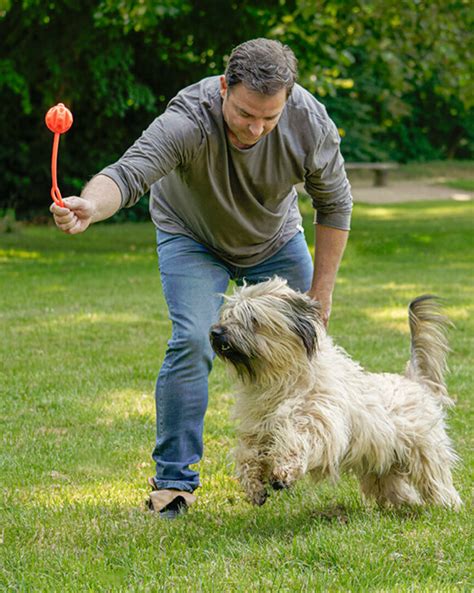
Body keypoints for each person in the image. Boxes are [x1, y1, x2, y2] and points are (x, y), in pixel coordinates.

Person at [50, 38, 353, 518]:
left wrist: (322, 293)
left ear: (288, 99)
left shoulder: (309, 123)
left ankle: (297, 453)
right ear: (222, 88)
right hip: (191, 238)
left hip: (274, 239)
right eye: (245, 114)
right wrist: (90, 206)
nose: (256, 128)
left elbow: (335, 205)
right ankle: (174, 482)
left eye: (268, 119)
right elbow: (129, 173)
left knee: (309, 350)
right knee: (193, 339)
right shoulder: (189, 118)